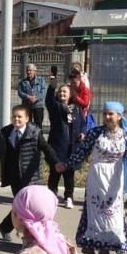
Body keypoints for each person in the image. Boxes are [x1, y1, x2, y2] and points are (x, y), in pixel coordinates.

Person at [58, 102, 127, 254]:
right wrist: (66, 164)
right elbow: (82, 151)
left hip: (115, 178)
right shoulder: (95, 133)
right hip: (97, 176)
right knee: (94, 210)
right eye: (105, 114)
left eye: (111, 114)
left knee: (112, 213)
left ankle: (104, 250)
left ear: (119, 116)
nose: (107, 117)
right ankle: (92, 249)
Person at [0, 105, 59, 243]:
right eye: (14, 116)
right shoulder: (6, 132)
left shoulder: (34, 132)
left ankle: (22, 233)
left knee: (27, 206)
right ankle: (17, 232)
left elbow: (46, 148)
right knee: (22, 206)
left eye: (20, 116)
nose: (16, 119)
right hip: (14, 176)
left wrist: (55, 162)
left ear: (27, 118)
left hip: (30, 176)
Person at [45, 81, 83, 209]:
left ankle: (68, 197)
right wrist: (52, 85)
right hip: (57, 146)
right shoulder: (55, 106)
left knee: (69, 175)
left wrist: (82, 133)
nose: (62, 93)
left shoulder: (76, 109)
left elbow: (83, 123)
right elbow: (49, 100)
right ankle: (51, 196)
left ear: (70, 94)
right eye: (60, 91)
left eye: (64, 91)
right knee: (54, 173)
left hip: (71, 147)